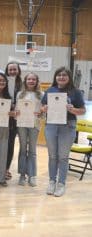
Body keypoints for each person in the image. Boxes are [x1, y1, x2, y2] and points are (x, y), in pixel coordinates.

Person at [41, 67, 85, 197]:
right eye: (59, 75)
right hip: (51, 125)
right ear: (55, 77)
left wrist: (72, 110)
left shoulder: (75, 92)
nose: (61, 77)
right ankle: (52, 181)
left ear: (69, 77)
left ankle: (61, 184)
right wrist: (45, 108)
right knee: (52, 156)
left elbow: (83, 110)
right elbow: (42, 107)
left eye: (64, 75)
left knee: (63, 157)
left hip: (67, 126)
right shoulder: (50, 90)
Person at [15, 72, 43, 187]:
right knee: (22, 149)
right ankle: (22, 175)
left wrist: (41, 113)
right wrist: (16, 113)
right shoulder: (20, 94)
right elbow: (16, 109)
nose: (31, 81)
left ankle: (32, 175)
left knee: (32, 150)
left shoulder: (41, 94)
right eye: (29, 79)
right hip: (22, 124)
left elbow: (43, 113)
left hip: (34, 124)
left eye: (33, 79)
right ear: (25, 81)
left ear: (36, 81)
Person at [4, 61, 23, 180]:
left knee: (10, 144)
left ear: (18, 70)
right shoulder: (3, 82)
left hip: (16, 119)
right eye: (10, 70)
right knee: (2, 143)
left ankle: (6, 169)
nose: (12, 72)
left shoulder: (23, 84)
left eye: (14, 69)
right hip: (4, 116)